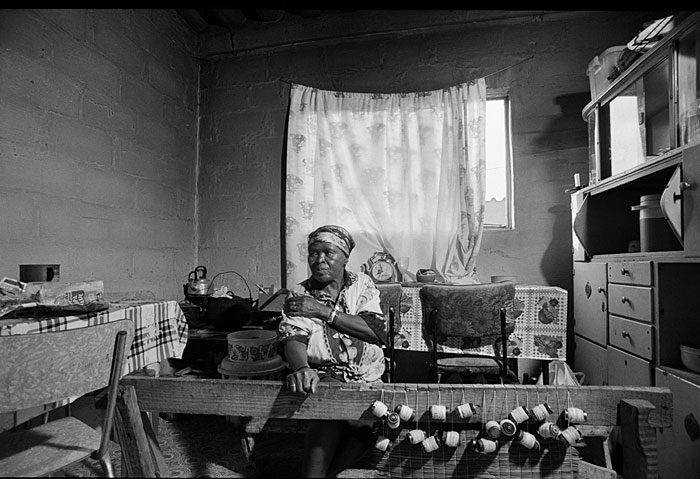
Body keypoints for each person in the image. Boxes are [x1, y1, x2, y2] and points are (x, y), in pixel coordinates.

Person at [278, 224, 388, 478]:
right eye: (313, 253)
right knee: (328, 406)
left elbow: (374, 331)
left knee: (364, 432)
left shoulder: (361, 284)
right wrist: (302, 368)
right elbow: (292, 336)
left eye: (328, 253)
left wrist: (322, 311)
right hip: (325, 375)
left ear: (345, 257)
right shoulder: (300, 293)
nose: (319, 260)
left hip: (367, 377)